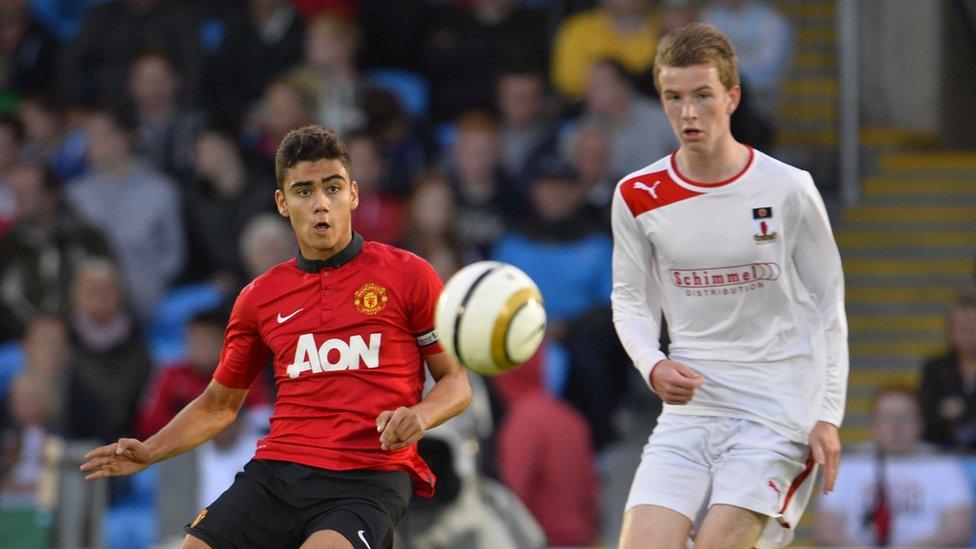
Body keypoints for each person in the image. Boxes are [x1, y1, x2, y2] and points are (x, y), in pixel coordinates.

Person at [80, 125, 472, 549]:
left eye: (333, 188)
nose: (321, 204)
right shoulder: (259, 297)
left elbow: (456, 382)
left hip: (368, 478)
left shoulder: (410, 275)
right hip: (278, 473)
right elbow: (219, 404)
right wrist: (151, 450)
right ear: (283, 203)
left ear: (354, 195)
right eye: (304, 191)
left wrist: (421, 416)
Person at [611, 24, 847, 548]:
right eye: (674, 97)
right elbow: (629, 300)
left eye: (702, 96)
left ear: (732, 96)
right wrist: (652, 364)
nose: (688, 113)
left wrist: (828, 415)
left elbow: (828, 304)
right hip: (691, 410)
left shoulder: (788, 188)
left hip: (776, 409)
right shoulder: (637, 194)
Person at [814, 386, 973, 546]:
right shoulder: (850, 462)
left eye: (905, 417)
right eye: (887, 418)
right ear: (873, 424)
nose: (896, 427)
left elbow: (958, 530)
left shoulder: (942, 464)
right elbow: (827, 528)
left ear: (921, 423)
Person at [917, 291, 976, 450]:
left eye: (971, 326)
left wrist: (960, 408)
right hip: (942, 457)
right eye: (960, 326)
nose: (966, 333)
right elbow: (926, 415)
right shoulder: (935, 368)